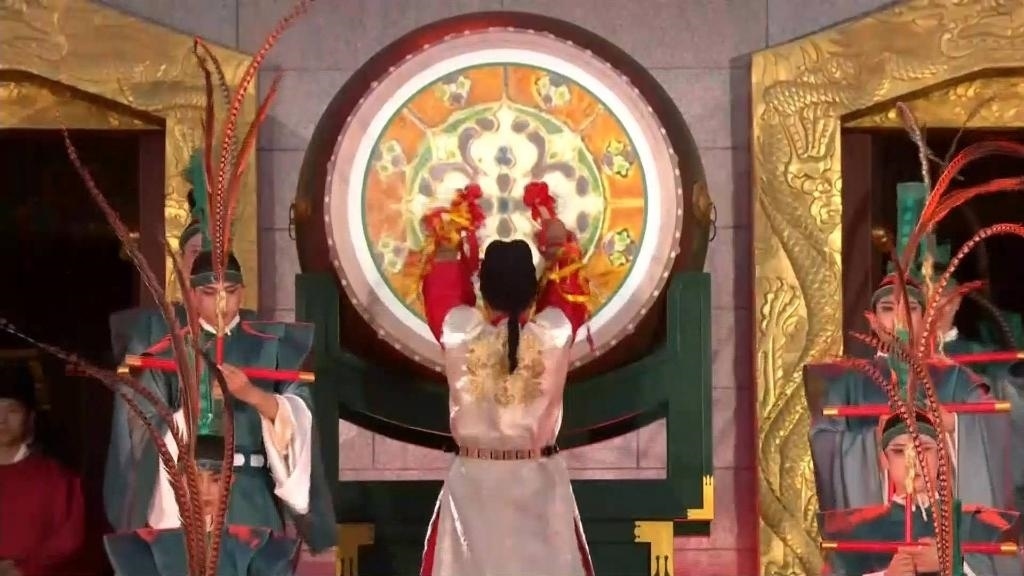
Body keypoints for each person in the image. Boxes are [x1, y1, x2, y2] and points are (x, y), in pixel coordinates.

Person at [103, 249, 336, 552]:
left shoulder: (273, 346)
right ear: (191, 294)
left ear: (243, 292)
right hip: (190, 495)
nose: (222, 303)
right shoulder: (165, 349)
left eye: (231, 291)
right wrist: (194, 407)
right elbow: (143, 425)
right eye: (209, 293)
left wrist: (250, 394)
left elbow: (300, 417)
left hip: (252, 490)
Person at [417, 193, 595, 576]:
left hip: (474, 486)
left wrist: (452, 239)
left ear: (483, 289)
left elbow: (441, 289)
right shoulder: (553, 333)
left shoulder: (460, 332)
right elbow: (570, 288)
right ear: (534, 289)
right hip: (538, 483)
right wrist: (556, 243)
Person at [822, 411, 1021, 576]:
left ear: (940, 456)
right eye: (899, 451)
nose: (913, 462)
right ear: (884, 460)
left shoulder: (977, 523)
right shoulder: (858, 531)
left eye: (924, 449)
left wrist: (955, 564)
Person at [103, 434, 299, 576]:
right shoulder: (145, 549)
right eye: (194, 480)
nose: (204, 490)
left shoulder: (260, 548)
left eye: (215, 480)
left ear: (230, 482)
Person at [0, 363, 85, 576]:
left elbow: (71, 540)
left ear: (30, 417)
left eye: (12, 410)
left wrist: (23, 569)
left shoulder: (58, 479)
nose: (1, 420)